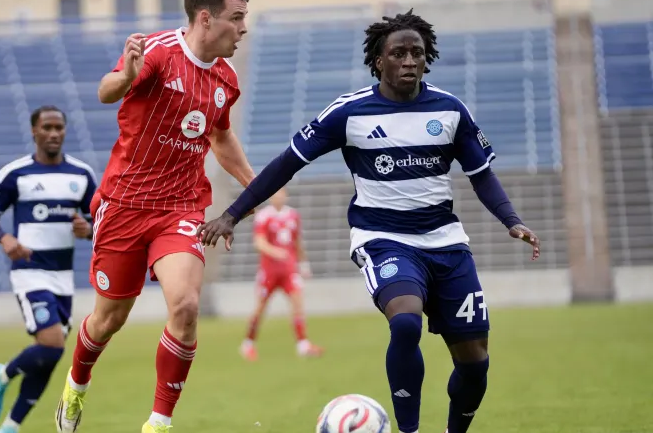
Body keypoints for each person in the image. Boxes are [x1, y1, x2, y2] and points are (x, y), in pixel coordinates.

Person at [197, 9, 542, 433]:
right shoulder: (349, 113)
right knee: (405, 320)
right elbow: (286, 164)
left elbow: (481, 175)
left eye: (417, 52)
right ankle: (409, 429)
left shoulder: (450, 111)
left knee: (475, 363)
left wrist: (511, 219)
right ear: (379, 60)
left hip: (447, 243)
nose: (409, 61)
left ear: (427, 56)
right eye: (399, 53)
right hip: (383, 239)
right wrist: (232, 214)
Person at [54, 1, 256, 432]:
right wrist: (127, 75)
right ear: (206, 17)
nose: (244, 28)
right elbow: (107, 91)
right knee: (109, 320)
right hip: (125, 206)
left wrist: (251, 183)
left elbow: (219, 134)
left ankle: (159, 423)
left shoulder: (226, 78)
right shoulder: (160, 53)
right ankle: (76, 384)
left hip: (181, 207)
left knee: (184, 306)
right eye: (236, 18)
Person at [0, 106, 95, 433]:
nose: (54, 133)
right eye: (47, 127)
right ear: (34, 131)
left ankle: (11, 426)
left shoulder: (81, 175)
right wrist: (5, 239)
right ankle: (1, 375)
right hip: (29, 272)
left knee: (50, 356)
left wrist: (89, 229)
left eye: (59, 127)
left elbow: (101, 222)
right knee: (53, 344)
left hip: (63, 278)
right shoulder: (15, 174)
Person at [240, 188, 323, 361]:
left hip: (289, 270)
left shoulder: (293, 215)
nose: (278, 197)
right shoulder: (264, 216)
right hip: (269, 271)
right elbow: (259, 242)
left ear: (285, 195)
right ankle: (248, 344)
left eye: (281, 194)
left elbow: (298, 242)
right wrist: (276, 252)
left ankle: (303, 345)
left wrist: (304, 264)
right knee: (260, 308)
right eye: (275, 194)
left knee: (298, 304)